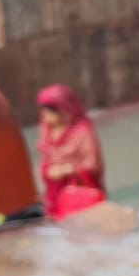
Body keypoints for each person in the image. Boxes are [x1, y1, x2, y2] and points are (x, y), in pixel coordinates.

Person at [35, 84, 106, 219]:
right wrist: (46, 171)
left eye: (50, 110)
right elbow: (44, 158)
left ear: (64, 110)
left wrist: (67, 169)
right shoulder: (45, 131)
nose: (45, 115)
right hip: (53, 193)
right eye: (43, 110)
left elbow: (93, 164)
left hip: (80, 193)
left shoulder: (82, 132)